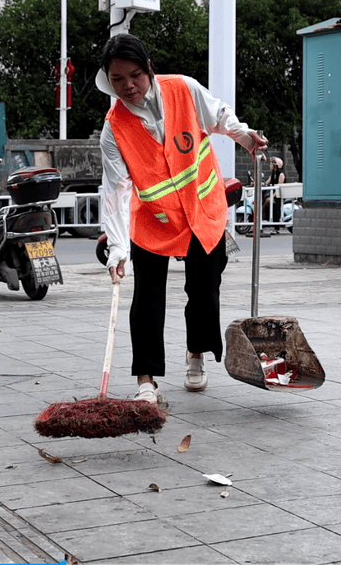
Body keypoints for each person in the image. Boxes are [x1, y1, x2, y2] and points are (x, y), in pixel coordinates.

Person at [97, 33, 268, 404]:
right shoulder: (113, 128)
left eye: (135, 76)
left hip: (202, 211)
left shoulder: (183, 90)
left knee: (204, 291)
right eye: (117, 79)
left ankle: (196, 354)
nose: (128, 86)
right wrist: (116, 248)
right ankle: (146, 380)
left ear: (149, 71)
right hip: (153, 220)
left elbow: (220, 116)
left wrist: (244, 136)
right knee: (147, 298)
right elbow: (114, 190)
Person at [262, 155, 285, 232]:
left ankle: (276, 227)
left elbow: (279, 187)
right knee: (265, 201)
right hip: (274, 195)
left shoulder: (281, 175)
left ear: (276, 165)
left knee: (275, 207)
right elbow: (266, 182)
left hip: (279, 196)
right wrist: (257, 183)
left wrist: (272, 196)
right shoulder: (272, 174)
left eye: (271, 164)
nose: (270, 165)